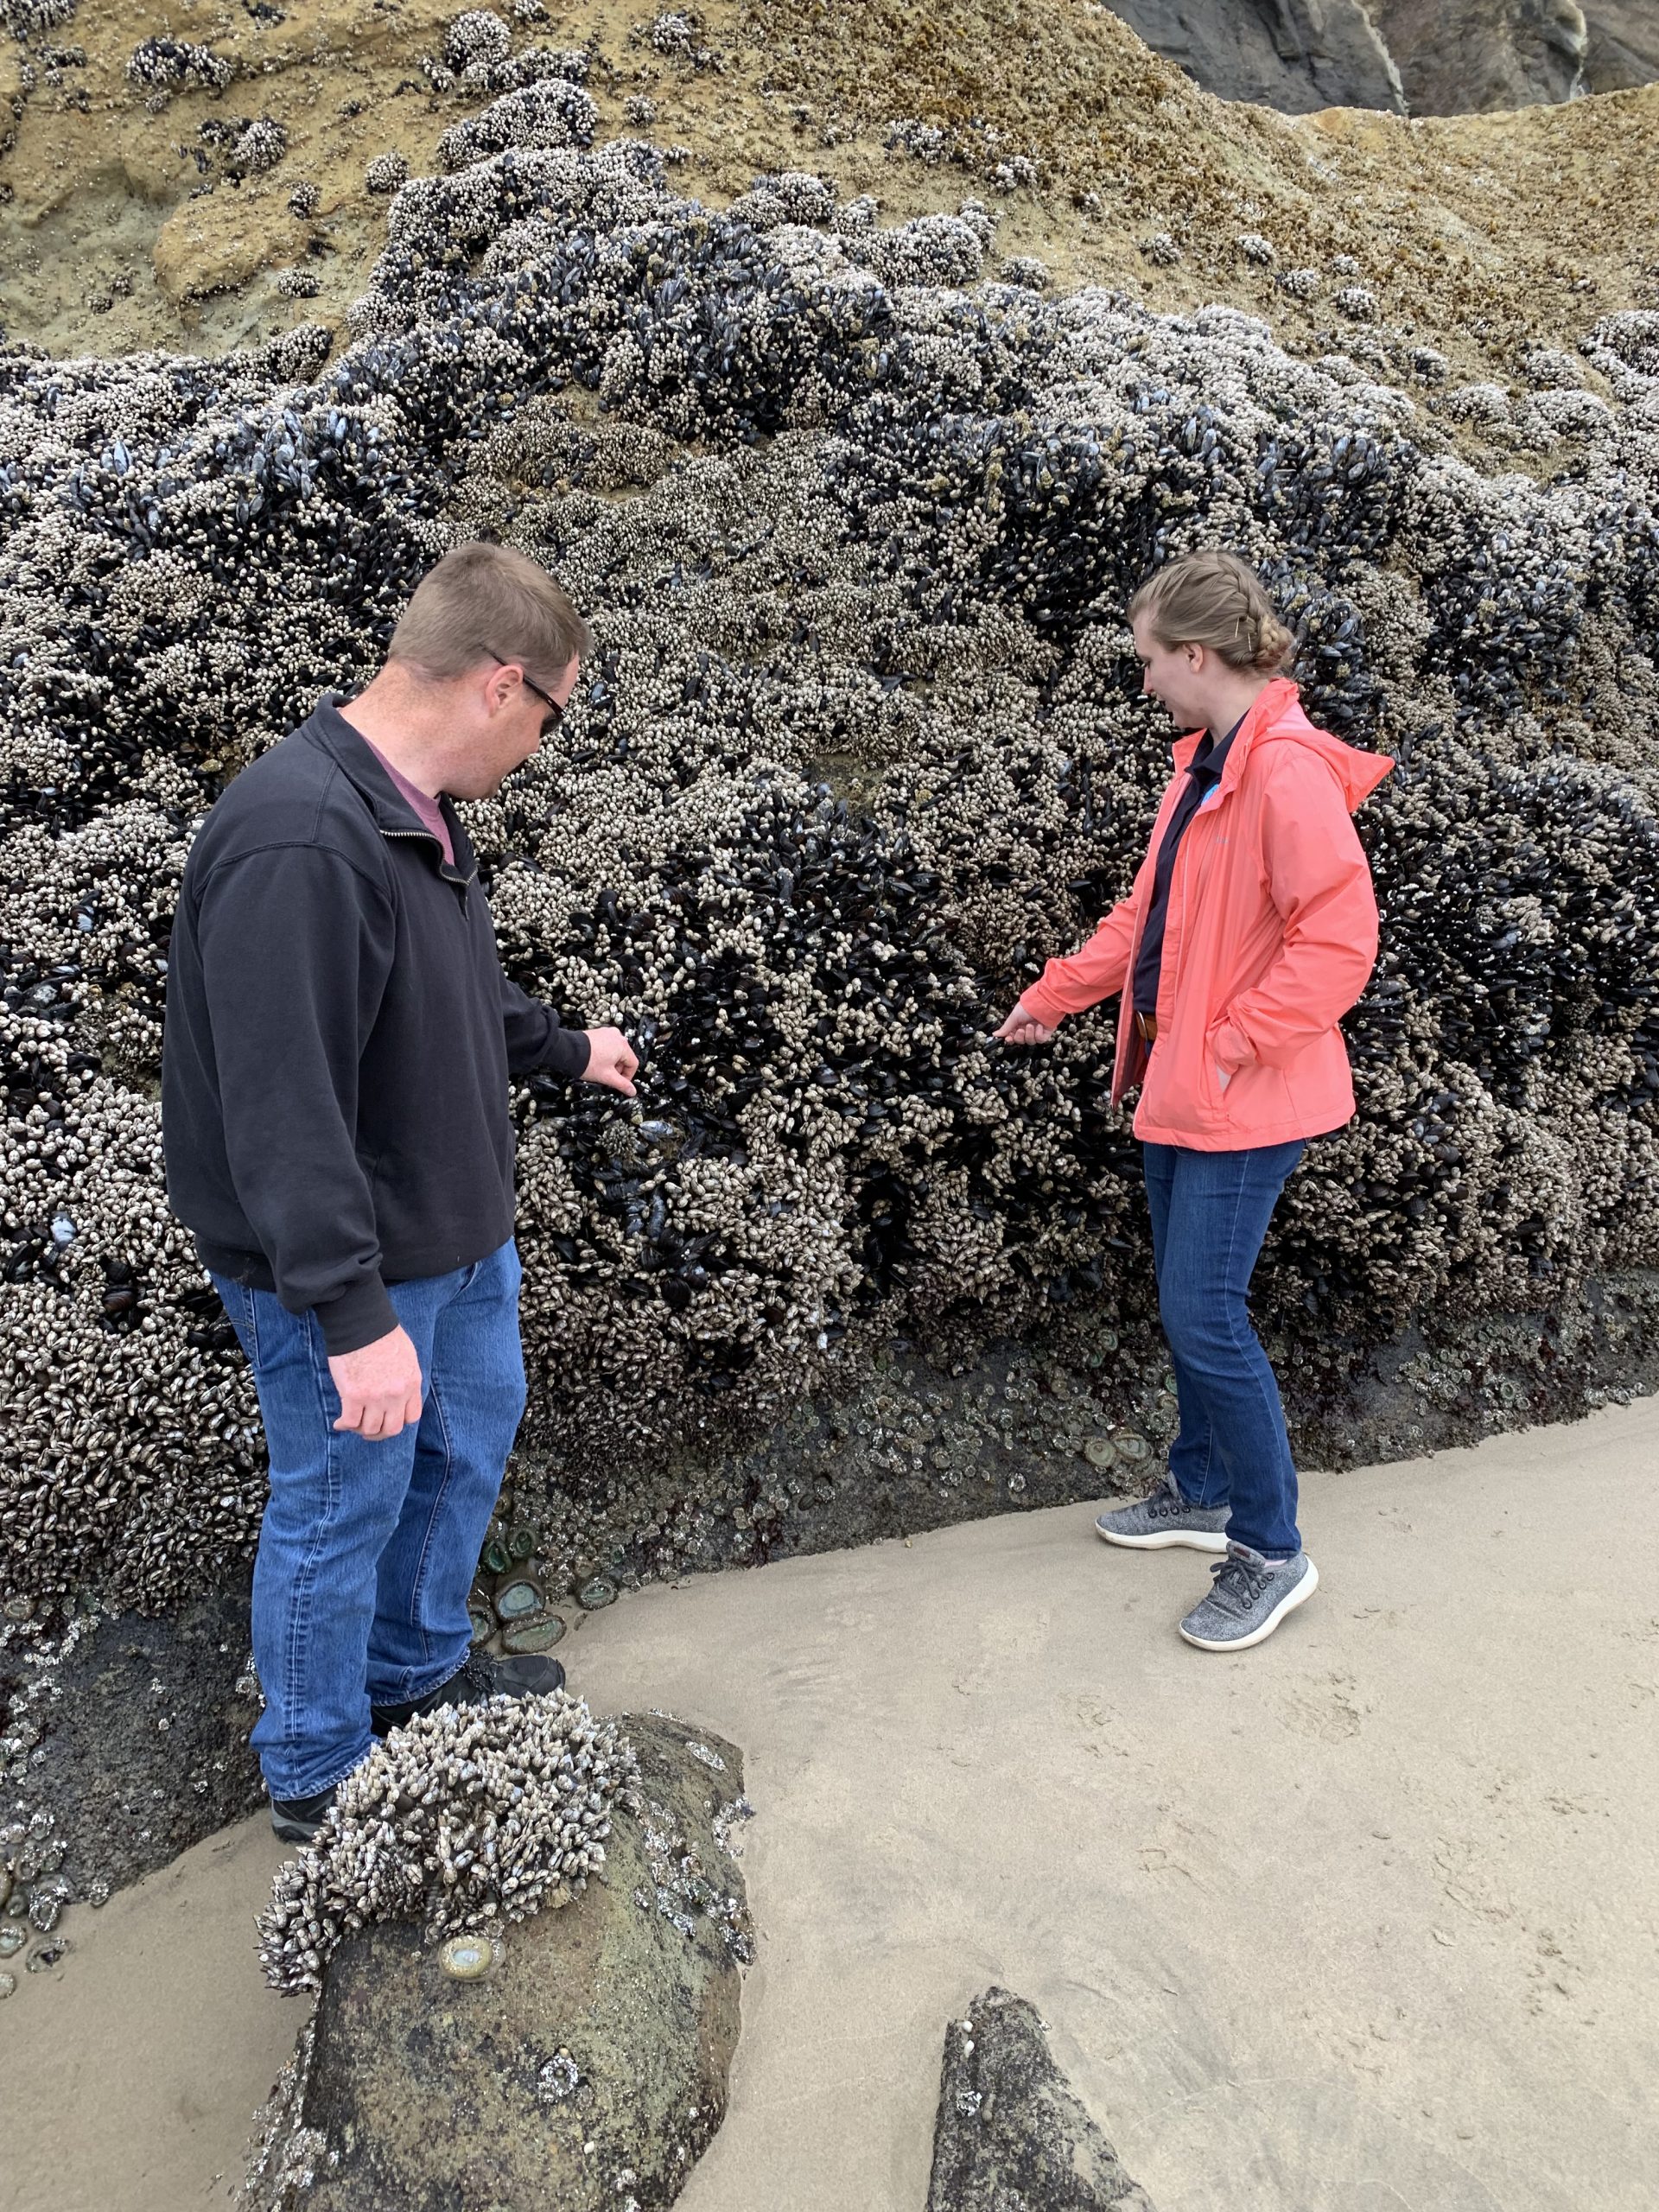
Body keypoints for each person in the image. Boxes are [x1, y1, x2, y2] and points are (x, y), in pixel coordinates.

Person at [162, 541, 639, 1840]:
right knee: (339, 1499)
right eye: (552, 714)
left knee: (463, 1447)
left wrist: (564, 1048)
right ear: (501, 684)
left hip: (455, 1233)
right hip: (354, 1268)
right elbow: (280, 1106)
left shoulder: (414, 811)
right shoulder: (302, 838)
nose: (543, 745)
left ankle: (415, 1680)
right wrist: (350, 1313)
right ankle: (317, 1776)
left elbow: (452, 997)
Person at [994, 549, 1391, 1652]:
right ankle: (1202, 1487)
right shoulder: (1205, 764)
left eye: (1151, 661)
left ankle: (1271, 1548)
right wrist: (1054, 997)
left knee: (1206, 1315)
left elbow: (1341, 940)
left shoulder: (1285, 772)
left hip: (1241, 1095)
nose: (1146, 680)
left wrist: (1230, 1044)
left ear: (1200, 655)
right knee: (1187, 1304)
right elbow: (1146, 921)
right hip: (1181, 1085)